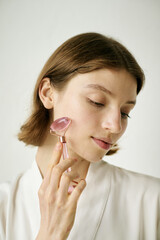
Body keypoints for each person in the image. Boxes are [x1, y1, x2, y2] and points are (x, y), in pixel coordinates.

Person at [0, 32, 159, 240]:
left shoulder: (152, 201)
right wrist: (51, 233)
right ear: (48, 93)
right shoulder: (4, 206)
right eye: (97, 102)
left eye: (124, 112)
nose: (115, 125)